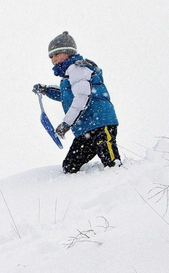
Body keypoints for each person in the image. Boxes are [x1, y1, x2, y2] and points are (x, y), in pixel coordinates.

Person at [34, 31, 120, 173]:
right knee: (69, 166)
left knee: (112, 164)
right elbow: (66, 95)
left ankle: (124, 185)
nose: (53, 59)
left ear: (68, 52)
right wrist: (46, 90)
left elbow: (81, 98)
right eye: (51, 56)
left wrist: (66, 124)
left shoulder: (78, 69)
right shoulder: (69, 75)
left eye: (57, 54)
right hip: (86, 129)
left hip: (100, 124)